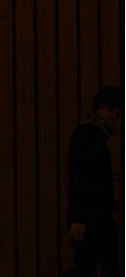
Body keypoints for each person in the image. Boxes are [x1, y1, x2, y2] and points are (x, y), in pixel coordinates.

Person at [66, 85, 123, 277]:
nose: (119, 121)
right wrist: (79, 218)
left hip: (94, 219)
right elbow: (82, 179)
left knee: (88, 266)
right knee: (91, 267)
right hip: (94, 220)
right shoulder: (91, 138)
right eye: (116, 115)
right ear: (103, 109)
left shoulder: (88, 135)